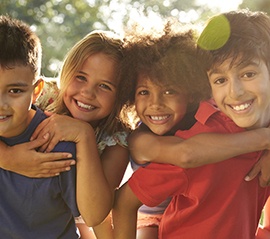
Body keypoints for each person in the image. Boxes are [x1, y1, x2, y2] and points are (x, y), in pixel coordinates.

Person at [113, 10, 270, 239]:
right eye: (220, 80)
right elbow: (125, 202)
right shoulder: (205, 140)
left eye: (248, 74)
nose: (235, 92)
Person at [27, 30, 129, 239]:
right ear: (66, 72)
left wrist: (84, 136)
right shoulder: (43, 95)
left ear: (121, 96)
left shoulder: (116, 138)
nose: (88, 93)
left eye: (104, 86)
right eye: (80, 77)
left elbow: (93, 216)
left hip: (63, 220)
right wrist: (9, 158)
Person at [0, 15, 81, 238]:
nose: (1, 105)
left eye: (15, 91)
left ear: (36, 90)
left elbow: (91, 217)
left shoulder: (58, 146)